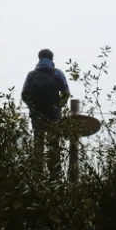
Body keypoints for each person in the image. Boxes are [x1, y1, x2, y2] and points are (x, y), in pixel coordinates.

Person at [21, 48, 71, 177]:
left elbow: (24, 95)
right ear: (52, 59)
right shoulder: (57, 73)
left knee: (38, 145)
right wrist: (58, 107)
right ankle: (55, 176)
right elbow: (66, 93)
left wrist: (33, 108)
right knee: (54, 146)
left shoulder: (31, 75)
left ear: (39, 59)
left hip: (36, 116)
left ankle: (38, 175)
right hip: (53, 115)